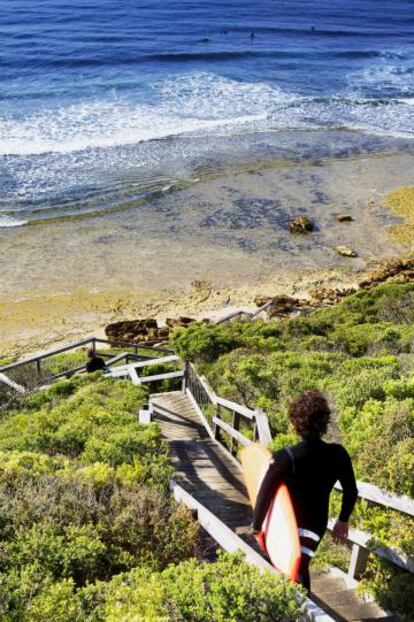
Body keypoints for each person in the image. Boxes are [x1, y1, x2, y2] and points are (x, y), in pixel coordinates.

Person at [251, 390, 358, 591]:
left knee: (291, 566)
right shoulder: (338, 454)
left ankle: (300, 611)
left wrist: (257, 527)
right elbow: (351, 490)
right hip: (316, 525)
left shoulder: (284, 458)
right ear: (324, 422)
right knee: (300, 564)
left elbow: (263, 496)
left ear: (296, 422)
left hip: (287, 523)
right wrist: (343, 519)